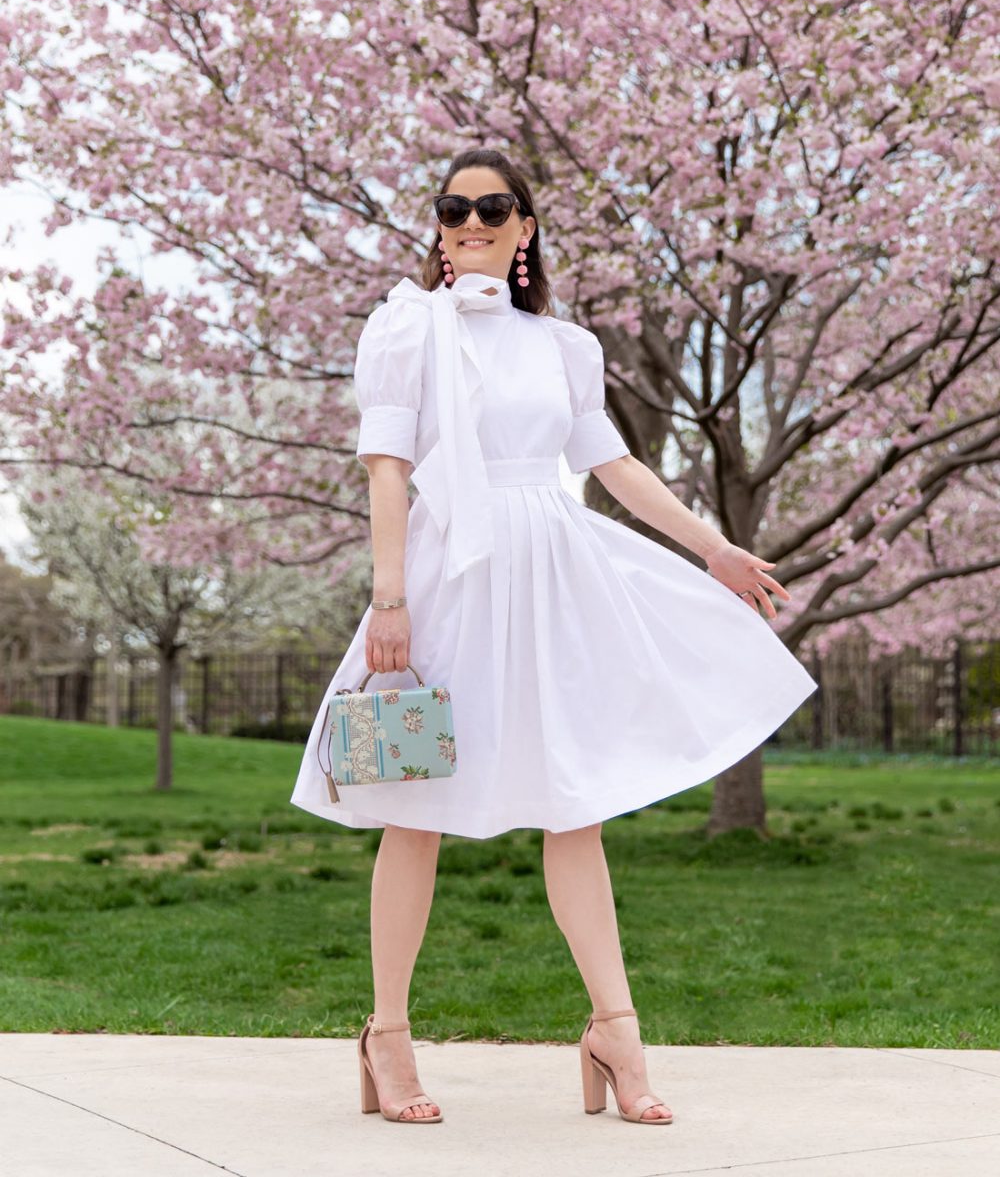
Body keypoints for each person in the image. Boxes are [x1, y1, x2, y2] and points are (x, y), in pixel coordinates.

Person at [291, 147, 818, 1126]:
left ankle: (616, 1030)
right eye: (454, 207)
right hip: (448, 583)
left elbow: (612, 467)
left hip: (551, 578)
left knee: (573, 802)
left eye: (494, 206)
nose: (473, 220)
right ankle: (387, 1037)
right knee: (415, 808)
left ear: (527, 225)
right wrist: (389, 600)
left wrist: (714, 549)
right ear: (439, 226)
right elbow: (387, 472)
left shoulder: (566, 347)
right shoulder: (406, 332)